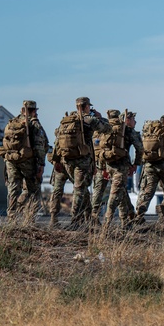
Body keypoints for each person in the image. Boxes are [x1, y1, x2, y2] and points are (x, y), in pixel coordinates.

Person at [48, 97, 111, 229]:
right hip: (82, 161)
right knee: (79, 189)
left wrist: (56, 159)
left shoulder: (66, 121)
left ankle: (57, 218)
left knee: (73, 189)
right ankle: (75, 220)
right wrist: (100, 117)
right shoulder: (89, 119)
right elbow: (107, 129)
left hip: (65, 159)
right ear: (87, 106)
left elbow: (57, 138)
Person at [0, 100, 48, 224]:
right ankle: (30, 219)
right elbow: (39, 146)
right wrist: (41, 164)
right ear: (33, 111)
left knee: (13, 188)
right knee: (33, 189)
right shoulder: (34, 124)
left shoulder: (12, 123)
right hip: (27, 161)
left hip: (11, 160)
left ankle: (11, 217)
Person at [101, 110, 143, 229]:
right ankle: (107, 224)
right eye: (133, 119)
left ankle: (127, 219)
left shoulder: (108, 128)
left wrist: (103, 167)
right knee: (115, 195)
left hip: (109, 165)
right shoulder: (129, 131)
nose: (135, 122)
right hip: (122, 167)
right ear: (128, 120)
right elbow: (140, 149)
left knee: (122, 192)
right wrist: (136, 164)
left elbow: (101, 148)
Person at [89, 109, 123, 224]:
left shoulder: (94, 128)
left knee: (98, 191)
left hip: (100, 163)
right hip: (116, 164)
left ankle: (94, 215)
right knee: (118, 191)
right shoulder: (115, 128)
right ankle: (125, 216)